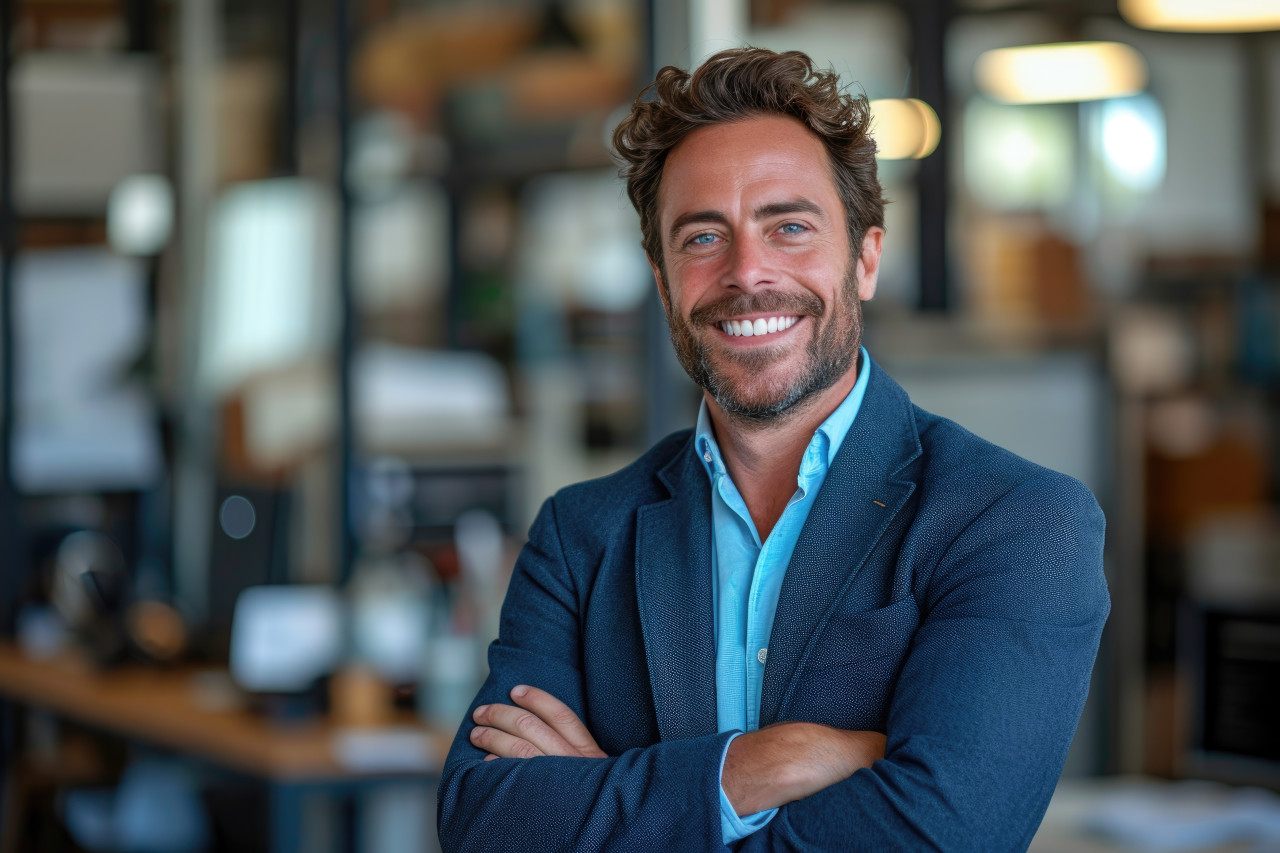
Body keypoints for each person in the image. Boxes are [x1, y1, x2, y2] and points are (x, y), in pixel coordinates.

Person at [437, 47, 1109, 852]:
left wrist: (611, 798)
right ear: (661, 282)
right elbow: (487, 819)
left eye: (789, 227)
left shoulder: (1019, 521)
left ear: (864, 258)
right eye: (701, 238)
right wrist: (750, 768)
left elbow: (939, 833)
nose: (747, 273)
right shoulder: (581, 537)